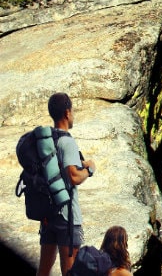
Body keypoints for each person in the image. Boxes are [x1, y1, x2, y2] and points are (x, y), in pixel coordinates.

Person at [37, 93, 96, 276]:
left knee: (43, 270)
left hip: (48, 215)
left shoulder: (46, 141)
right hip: (67, 218)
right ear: (67, 113)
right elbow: (73, 177)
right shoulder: (67, 142)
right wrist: (90, 169)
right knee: (70, 272)